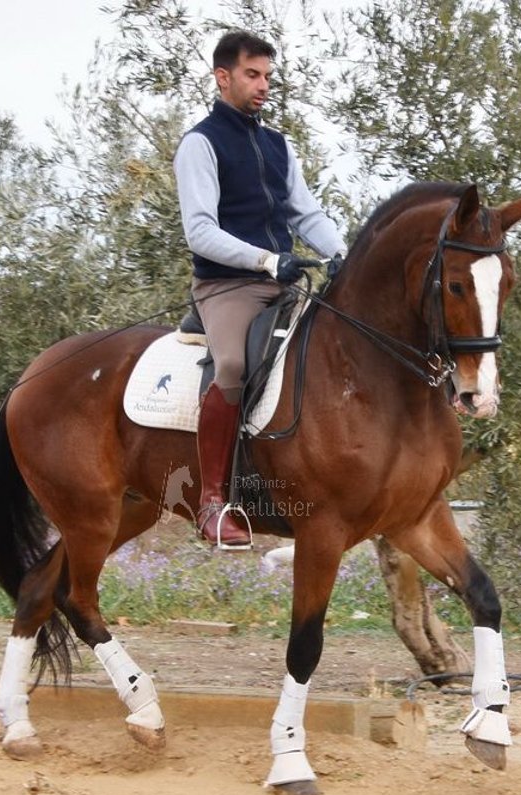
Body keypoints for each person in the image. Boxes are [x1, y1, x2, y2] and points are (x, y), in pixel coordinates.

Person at [174, 29, 347, 549]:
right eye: (253, 74)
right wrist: (269, 259)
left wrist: (343, 256)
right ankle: (211, 503)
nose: (263, 85)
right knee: (231, 367)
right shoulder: (200, 143)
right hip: (227, 287)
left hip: (284, 283)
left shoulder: (277, 145)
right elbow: (200, 230)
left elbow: (305, 212)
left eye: (268, 76)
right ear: (222, 77)